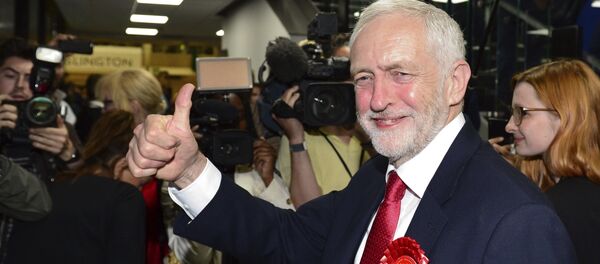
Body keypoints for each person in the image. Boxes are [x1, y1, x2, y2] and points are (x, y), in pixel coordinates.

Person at [128, 0, 575, 263]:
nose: (377, 99)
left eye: (400, 73)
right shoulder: (379, 182)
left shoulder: (518, 223)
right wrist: (189, 171)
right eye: (363, 78)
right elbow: (283, 237)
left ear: (455, 82)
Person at [489, 59, 600, 263]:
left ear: (565, 115)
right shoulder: (579, 196)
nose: (510, 126)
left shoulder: (563, 208)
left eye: (522, 112)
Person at [6, 110, 146, 264]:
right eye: (141, 184)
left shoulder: (45, 187)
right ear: (121, 165)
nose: (140, 190)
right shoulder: (124, 197)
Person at [95, 68, 168, 264]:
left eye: (108, 103)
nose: (103, 110)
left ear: (133, 106)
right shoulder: (108, 144)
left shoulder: (167, 153)